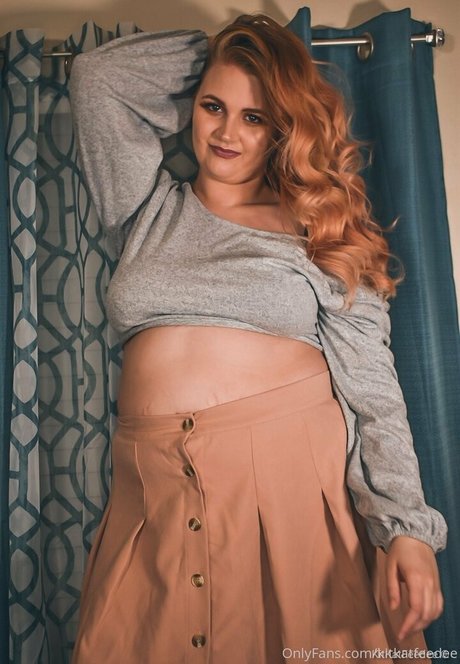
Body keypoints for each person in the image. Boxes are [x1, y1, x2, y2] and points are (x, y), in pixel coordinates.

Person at [68, 13, 448, 664]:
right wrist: (220, 50)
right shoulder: (143, 209)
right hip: (152, 495)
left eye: (255, 117)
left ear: (282, 128)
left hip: (288, 487)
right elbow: (98, 77)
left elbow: (372, 391)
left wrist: (405, 527)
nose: (226, 133)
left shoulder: (323, 231)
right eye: (213, 106)